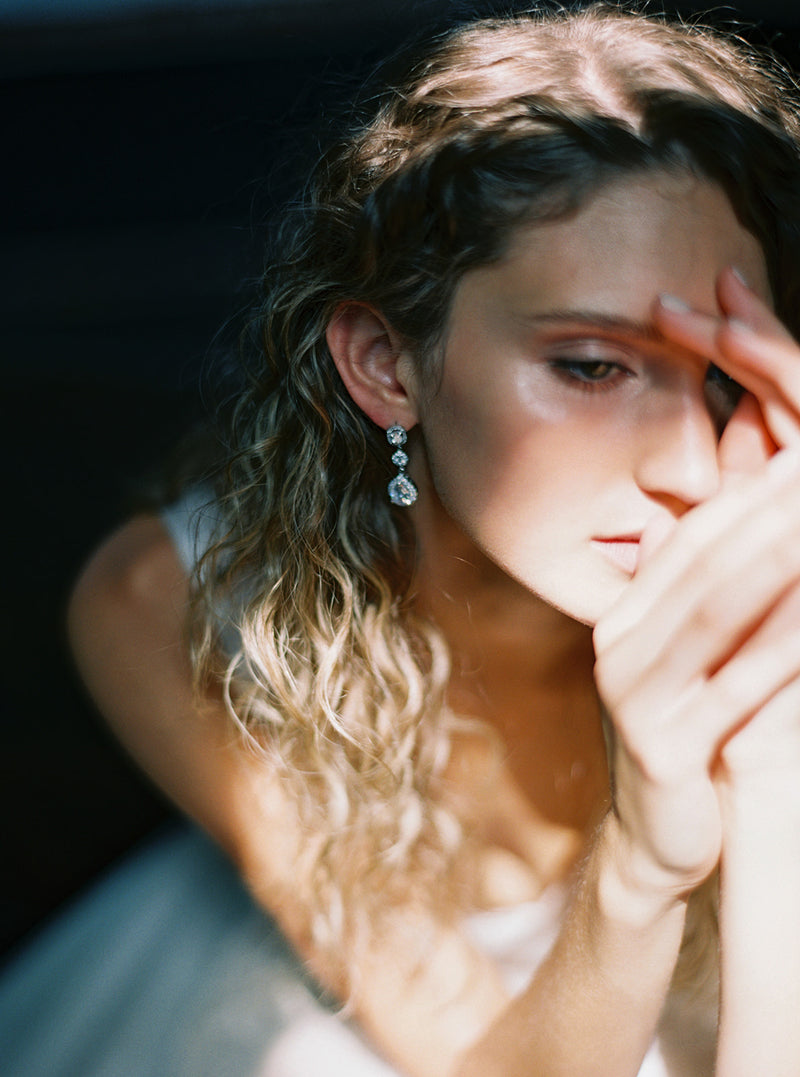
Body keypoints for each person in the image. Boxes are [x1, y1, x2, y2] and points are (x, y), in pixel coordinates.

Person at [6, 3, 800, 1074]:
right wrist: (638, 866)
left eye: (721, 379)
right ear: (386, 365)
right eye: (589, 366)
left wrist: (771, 776)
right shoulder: (172, 604)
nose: (692, 469)